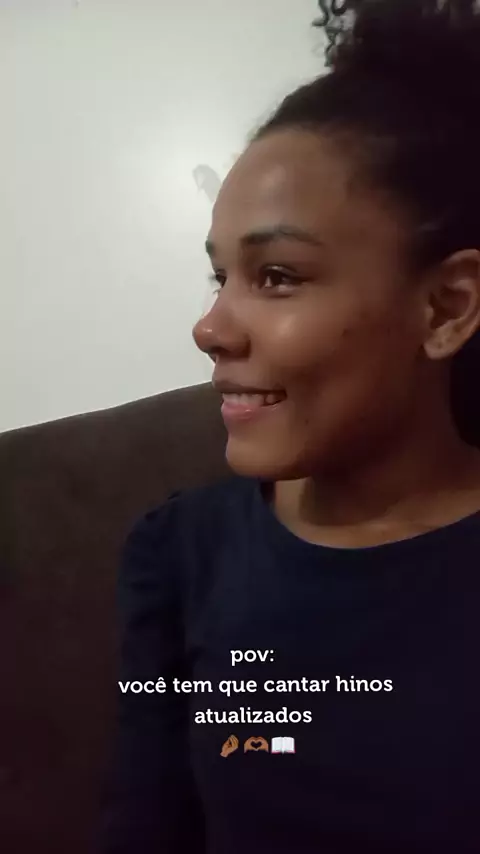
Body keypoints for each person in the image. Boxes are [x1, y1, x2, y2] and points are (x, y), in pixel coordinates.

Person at [99, 1, 480, 851]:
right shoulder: (179, 554)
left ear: (446, 307)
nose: (210, 328)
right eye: (220, 277)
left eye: (276, 276)